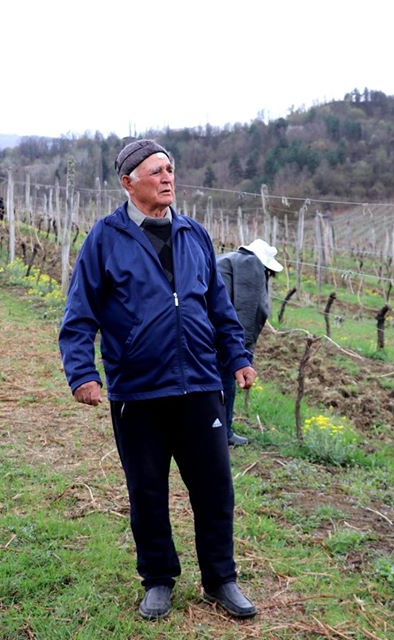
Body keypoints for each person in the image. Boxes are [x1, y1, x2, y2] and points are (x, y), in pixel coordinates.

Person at [58, 139, 259, 621]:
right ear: (128, 182)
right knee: (147, 490)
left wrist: (237, 357)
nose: (168, 177)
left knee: (215, 488)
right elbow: (79, 314)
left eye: (170, 169)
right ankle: (158, 579)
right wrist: (82, 373)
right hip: (138, 390)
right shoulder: (104, 239)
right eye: (156, 171)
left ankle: (221, 578)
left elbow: (219, 307)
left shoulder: (194, 234)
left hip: (201, 385)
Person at [216, 238, 283, 446]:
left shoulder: (226, 260)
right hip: (223, 336)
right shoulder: (251, 265)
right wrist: (242, 354)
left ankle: (211, 429)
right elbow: (248, 313)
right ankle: (224, 432)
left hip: (204, 328)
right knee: (226, 380)